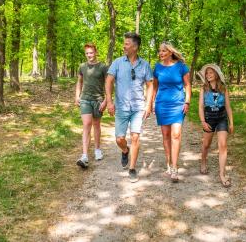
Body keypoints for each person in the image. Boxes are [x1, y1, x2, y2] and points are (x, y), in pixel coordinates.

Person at [105, 32, 153, 183]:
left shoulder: (144, 65)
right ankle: (125, 151)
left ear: (135, 46)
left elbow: (150, 85)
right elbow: (108, 82)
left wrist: (149, 104)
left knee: (135, 136)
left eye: (127, 44)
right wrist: (109, 101)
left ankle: (132, 168)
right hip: (121, 106)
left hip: (138, 107)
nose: (124, 46)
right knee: (119, 139)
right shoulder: (117, 62)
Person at [152, 42, 191, 182]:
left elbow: (187, 85)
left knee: (176, 134)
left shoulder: (181, 66)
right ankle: (168, 163)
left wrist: (187, 101)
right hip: (162, 104)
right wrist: (151, 103)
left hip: (178, 105)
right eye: (159, 51)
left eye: (163, 51)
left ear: (170, 52)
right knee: (166, 135)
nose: (161, 53)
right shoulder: (157, 67)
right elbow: (155, 88)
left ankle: (175, 167)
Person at [197, 64, 234, 188]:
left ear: (216, 74)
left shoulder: (223, 88)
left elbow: (228, 106)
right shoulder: (204, 88)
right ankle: (203, 161)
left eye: (210, 73)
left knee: (222, 145)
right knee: (206, 144)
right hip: (209, 119)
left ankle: (222, 174)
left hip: (222, 119)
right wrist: (203, 121)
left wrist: (231, 122)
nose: (208, 75)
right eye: (207, 73)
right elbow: (201, 107)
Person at [75, 43, 108, 169]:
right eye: (87, 53)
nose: (89, 55)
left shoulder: (103, 67)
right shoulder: (82, 67)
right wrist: (77, 96)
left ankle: (97, 149)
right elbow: (79, 82)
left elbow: (108, 84)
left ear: (96, 52)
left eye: (91, 52)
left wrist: (106, 100)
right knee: (86, 124)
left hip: (98, 100)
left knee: (96, 125)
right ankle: (84, 155)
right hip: (85, 99)